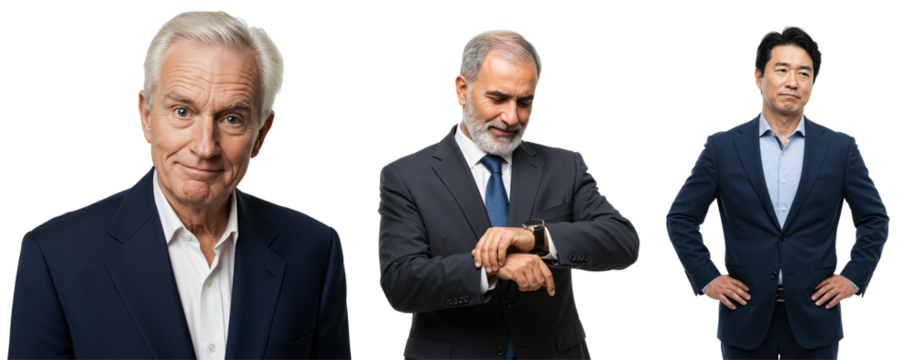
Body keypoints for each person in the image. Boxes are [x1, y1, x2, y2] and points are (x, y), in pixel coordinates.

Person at [8, 10, 351, 359]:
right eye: (183, 111)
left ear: (261, 135)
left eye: (232, 119)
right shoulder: (54, 256)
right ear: (145, 117)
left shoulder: (315, 250)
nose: (204, 147)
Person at [377, 29, 641, 360]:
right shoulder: (404, 175)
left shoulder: (566, 165)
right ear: (461, 90)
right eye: (498, 98)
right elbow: (400, 284)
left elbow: (623, 241)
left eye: (525, 101)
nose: (512, 117)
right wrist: (490, 268)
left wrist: (537, 239)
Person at [664, 25, 890, 359]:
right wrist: (706, 277)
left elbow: (875, 218)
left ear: (813, 84)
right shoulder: (722, 147)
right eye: (781, 70)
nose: (792, 82)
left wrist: (853, 277)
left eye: (804, 73)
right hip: (744, 317)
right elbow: (680, 217)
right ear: (758, 77)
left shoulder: (842, 148)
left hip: (816, 317)